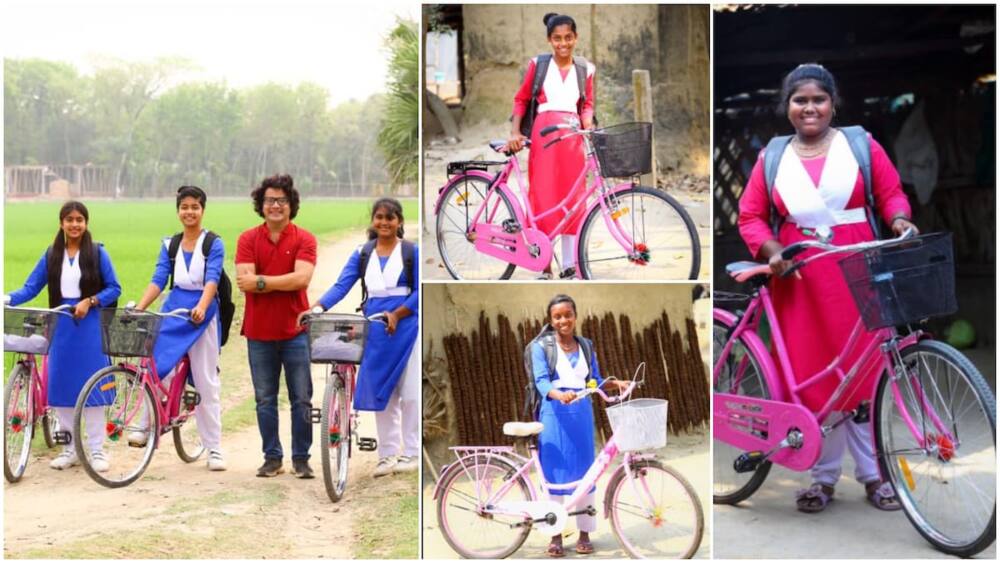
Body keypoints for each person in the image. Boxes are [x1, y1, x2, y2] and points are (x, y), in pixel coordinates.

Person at [737, 63, 918, 513]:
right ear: (788, 107)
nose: (810, 108)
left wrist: (899, 218)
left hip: (858, 271)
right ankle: (822, 477)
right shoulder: (772, 157)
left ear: (833, 103)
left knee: (866, 375)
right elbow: (751, 217)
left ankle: (875, 476)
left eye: (819, 99)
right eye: (800, 100)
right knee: (814, 378)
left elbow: (891, 193)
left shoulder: (860, 144)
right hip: (799, 280)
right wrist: (774, 251)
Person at [301, 198, 419, 477]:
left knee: (411, 393)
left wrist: (398, 314)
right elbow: (342, 285)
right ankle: (387, 455)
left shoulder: (411, 252)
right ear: (373, 220)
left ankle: (412, 452)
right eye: (379, 217)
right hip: (375, 329)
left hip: (406, 328)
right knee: (383, 393)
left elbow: (418, 291)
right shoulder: (362, 253)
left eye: (390, 218)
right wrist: (317, 308)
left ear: (399, 221)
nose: (384, 222)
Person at [5, 201, 122, 471]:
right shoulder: (51, 255)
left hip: (89, 327)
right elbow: (31, 287)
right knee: (62, 386)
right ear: (61, 223)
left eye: (79, 219)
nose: (74, 224)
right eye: (69, 219)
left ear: (86, 223)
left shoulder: (97, 253)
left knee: (92, 387)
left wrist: (90, 301)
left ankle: (97, 450)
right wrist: (8, 298)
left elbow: (114, 288)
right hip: (61, 328)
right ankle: (70, 448)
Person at [528, 294, 629, 557]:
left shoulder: (586, 345)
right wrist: (559, 395)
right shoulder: (542, 347)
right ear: (550, 321)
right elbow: (540, 381)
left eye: (567, 315)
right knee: (554, 476)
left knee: (587, 475)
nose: (564, 320)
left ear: (575, 315)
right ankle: (555, 534)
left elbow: (593, 380)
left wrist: (614, 383)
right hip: (554, 414)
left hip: (581, 414)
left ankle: (584, 533)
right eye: (557, 317)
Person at [133, 185, 226, 471]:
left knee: (205, 380)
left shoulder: (213, 243)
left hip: (202, 313)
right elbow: (159, 278)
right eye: (184, 207)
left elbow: (212, 279)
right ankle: (146, 421)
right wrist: (140, 308)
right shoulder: (169, 245)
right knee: (156, 364)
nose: (189, 212)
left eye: (194, 206)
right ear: (178, 211)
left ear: (203, 210)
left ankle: (214, 449)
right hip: (173, 309)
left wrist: (202, 305)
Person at [236, 174, 317, 478]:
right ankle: (272, 457)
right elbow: (244, 283)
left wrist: (261, 282)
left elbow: (302, 279)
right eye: (270, 200)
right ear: (261, 204)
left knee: (302, 398)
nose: (275, 206)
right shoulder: (248, 239)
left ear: (291, 204)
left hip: (296, 331)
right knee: (265, 399)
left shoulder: (304, 239)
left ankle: (301, 458)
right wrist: (275, 283)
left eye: (282, 200)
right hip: (258, 333)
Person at [506, 12, 595, 279]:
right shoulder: (539, 65)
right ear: (549, 40)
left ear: (576, 38)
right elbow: (521, 99)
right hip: (544, 135)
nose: (563, 43)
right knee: (544, 196)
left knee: (574, 199)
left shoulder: (586, 69)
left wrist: (587, 125)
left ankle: (569, 264)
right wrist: (514, 132)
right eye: (557, 39)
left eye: (568, 37)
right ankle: (544, 263)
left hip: (573, 137)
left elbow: (587, 103)